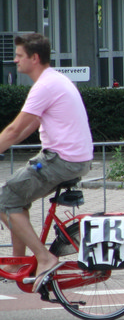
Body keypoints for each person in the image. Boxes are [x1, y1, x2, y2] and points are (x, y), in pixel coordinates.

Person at [0, 33, 94, 290]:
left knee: (4, 199)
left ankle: (44, 258)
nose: (15, 60)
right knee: (15, 196)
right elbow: (28, 126)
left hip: (61, 160)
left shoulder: (45, 86)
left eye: (19, 56)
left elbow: (14, 130)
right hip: (73, 159)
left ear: (34, 58)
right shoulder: (55, 80)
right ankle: (18, 261)